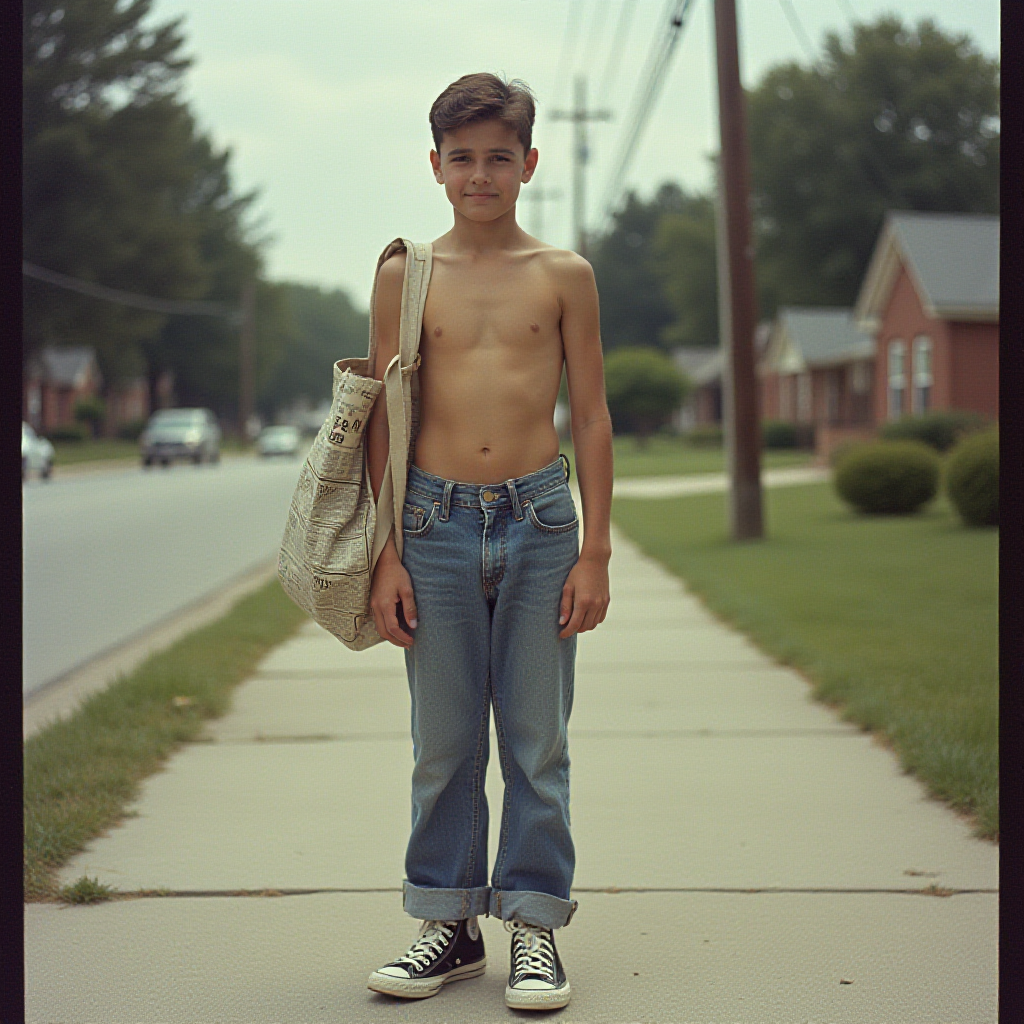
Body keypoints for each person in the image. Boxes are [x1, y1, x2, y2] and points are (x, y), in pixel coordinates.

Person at [364, 72, 613, 1012]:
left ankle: (536, 926)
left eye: (497, 157)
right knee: (446, 740)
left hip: (544, 523)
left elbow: (590, 415)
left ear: (528, 163)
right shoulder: (404, 275)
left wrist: (595, 550)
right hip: (431, 525)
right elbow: (388, 419)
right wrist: (388, 550)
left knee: (538, 741)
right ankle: (449, 921)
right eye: (461, 158)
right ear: (436, 167)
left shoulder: (564, 276)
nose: (480, 174)